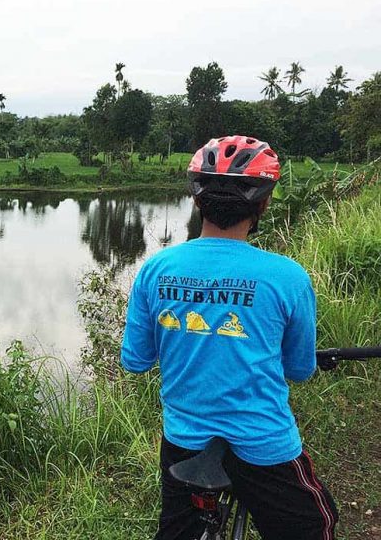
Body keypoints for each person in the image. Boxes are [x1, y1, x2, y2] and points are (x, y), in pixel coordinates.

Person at [121, 136, 338, 540]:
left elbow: (135, 360)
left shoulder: (156, 268)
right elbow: (300, 369)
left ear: (198, 201)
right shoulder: (287, 277)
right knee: (314, 525)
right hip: (263, 442)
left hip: (184, 439)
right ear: (263, 204)